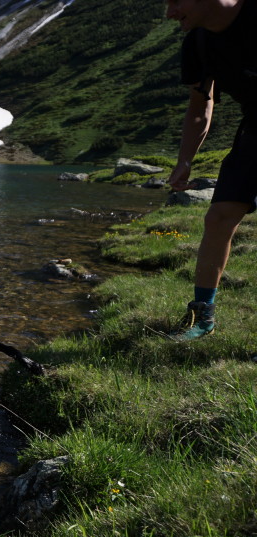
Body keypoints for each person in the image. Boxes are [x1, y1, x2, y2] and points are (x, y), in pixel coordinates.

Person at [165, 0, 257, 341]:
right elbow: (201, 105)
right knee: (218, 218)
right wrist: (185, 160)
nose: (169, 13)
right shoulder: (199, 42)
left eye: (175, 1)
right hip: (254, 129)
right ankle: (202, 318)